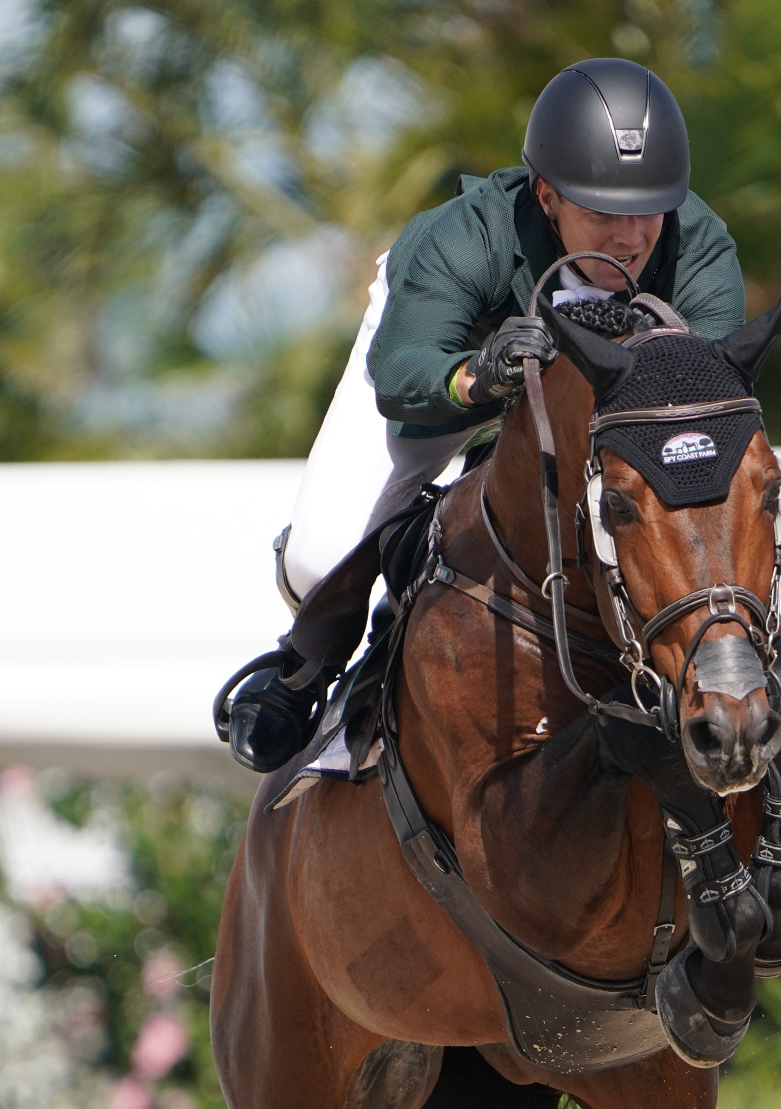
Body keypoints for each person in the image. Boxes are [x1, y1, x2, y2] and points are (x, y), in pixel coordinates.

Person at [225, 57, 748, 772]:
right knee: (321, 555)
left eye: (646, 211)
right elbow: (402, 375)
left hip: (604, 407)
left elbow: (705, 413)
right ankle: (309, 667)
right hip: (450, 367)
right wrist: (481, 375)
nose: (630, 240)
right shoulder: (462, 238)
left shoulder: (700, 250)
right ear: (547, 195)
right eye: (601, 213)